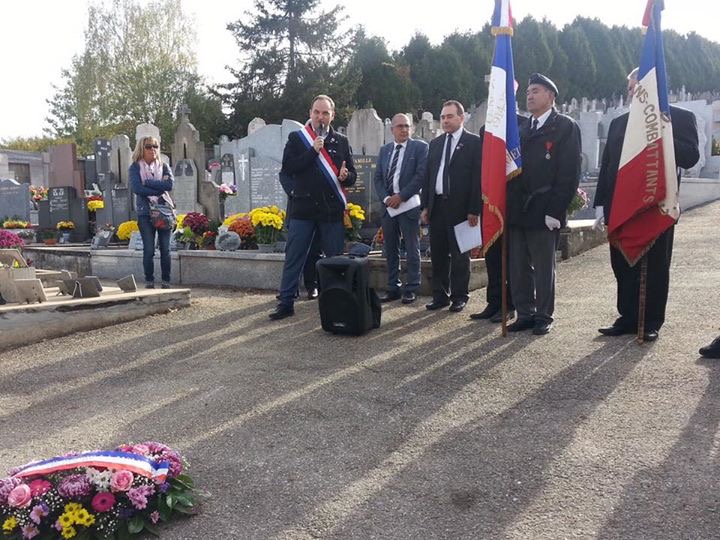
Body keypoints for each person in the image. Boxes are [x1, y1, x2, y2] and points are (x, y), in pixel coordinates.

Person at [594, 68, 700, 341]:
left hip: (657, 206)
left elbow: (690, 157)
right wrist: (601, 205)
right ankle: (627, 317)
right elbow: (608, 166)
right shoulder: (619, 123)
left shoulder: (679, 117)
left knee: (655, 266)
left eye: (637, 87)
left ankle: (651, 320)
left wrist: (662, 131)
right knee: (622, 263)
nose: (632, 92)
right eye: (630, 88)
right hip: (621, 205)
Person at [506, 74, 581, 335]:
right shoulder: (522, 129)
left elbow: (569, 173)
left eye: (535, 91)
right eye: (528, 92)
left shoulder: (564, 127)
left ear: (551, 96)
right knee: (518, 266)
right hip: (519, 208)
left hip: (545, 206)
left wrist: (555, 211)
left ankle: (543, 315)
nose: (529, 96)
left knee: (543, 266)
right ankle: (525, 313)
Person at [270, 94, 357, 320]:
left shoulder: (341, 141)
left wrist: (346, 177)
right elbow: (289, 168)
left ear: (332, 115)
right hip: (303, 209)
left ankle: (337, 304)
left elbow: (352, 176)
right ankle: (286, 302)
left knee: (335, 260)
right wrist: (313, 151)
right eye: (317, 112)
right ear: (310, 113)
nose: (321, 117)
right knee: (294, 257)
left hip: (330, 210)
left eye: (325, 113)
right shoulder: (297, 138)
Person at [420, 100, 482, 313]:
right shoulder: (436, 144)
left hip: (461, 208)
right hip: (437, 206)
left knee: (459, 254)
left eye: (450, 116)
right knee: (438, 254)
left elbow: (477, 178)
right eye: (443, 117)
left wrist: (474, 209)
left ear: (461, 118)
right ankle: (440, 295)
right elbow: (429, 176)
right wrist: (425, 206)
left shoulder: (473, 142)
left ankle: (459, 296)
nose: (445, 120)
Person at [470, 114, 528, 323]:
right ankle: (494, 302)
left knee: (511, 259)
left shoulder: (523, 125)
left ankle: (509, 304)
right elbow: (482, 169)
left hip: (515, 203)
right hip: (491, 203)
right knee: (492, 258)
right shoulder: (487, 129)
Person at [373, 113, 429, 305]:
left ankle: (412, 288)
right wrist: (387, 198)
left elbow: (420, 176)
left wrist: (401, 197)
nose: (404, 129)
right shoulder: (385, 150)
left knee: (412, 247)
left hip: (408, 205)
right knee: (390, 248)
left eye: (407, 126)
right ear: (392, 130)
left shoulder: (420, 147)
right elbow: (378, 178)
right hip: (388, 207)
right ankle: (393, 287)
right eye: (400, 126)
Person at [128, 136, 174, 289]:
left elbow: (169, 185)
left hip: (164, 212)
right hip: (145, 213)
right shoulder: (135, 167)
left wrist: (148, 182)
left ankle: (166, 281)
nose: (152, 149)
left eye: (155, 146)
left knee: (165, 249)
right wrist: (158, 188)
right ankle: (149, 281)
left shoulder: (164, 166)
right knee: (149, 250)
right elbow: (137, 188)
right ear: (142, 149)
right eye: (148, 146)